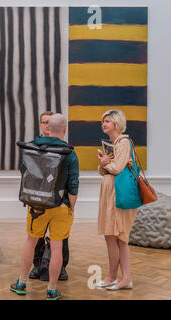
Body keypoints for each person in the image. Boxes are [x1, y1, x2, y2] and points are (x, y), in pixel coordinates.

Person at [10, 113, 79, 300]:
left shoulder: (32, 146)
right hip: (61, 205)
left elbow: (25, 172)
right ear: (64, 129)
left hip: (37, 206)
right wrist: (70, 208)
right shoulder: (70, 152)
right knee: (57, 247)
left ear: (48, 127)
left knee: (31, 242)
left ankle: (21, 283)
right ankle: (52, 289)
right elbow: (73, 185)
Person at [96, 110, 136, 290]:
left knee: (120, 237)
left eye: (107, 121)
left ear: (116, 123)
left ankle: (125, 278)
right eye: (103, 121)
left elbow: (117, 168)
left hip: (117, 195)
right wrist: (103, 164)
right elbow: (102, 170)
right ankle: (113, 276)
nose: (103, 124)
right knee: (110, 236)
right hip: (109, 194)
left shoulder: (124, 142)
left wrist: (104, 163)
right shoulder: (114, 144)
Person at [29, 111, 70, 281]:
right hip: (39, 199)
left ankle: (60, 268)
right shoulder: (32, 146)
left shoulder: (66, 149)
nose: (47, 125)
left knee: (61, 238)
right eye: (44, 122)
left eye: (49, 122)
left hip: (59, 200)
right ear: (40, 125)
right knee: (36, 236)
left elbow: (70, 177)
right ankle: (38, 265)